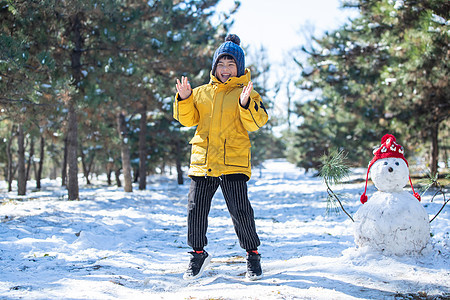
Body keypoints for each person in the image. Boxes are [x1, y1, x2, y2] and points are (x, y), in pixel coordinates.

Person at [173, 34, 269, 281]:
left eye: (231, 65)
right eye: (221, 65)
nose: (225, 70)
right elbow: (187, 120)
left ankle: (252, 255)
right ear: (214, 66)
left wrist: (245, 103)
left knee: (240, 211)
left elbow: (257, 122)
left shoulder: (247, 92)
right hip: (203, 161)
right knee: (195, 210)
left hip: (233, 162)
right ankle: (197, 254)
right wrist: (184, 98)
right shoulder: (201, 93)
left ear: (239, 67)